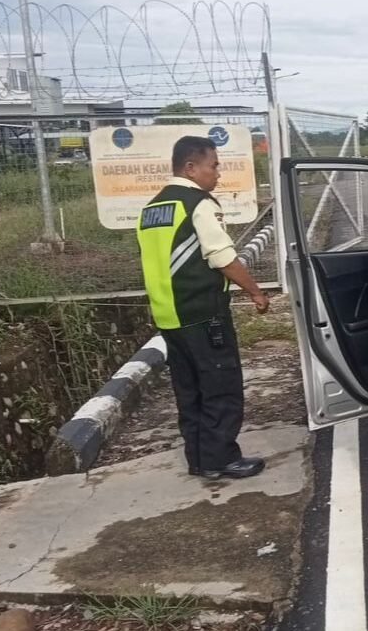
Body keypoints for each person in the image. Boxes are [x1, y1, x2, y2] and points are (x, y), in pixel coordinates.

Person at [136, 136, 271, 480]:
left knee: (189, 390)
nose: (218, 174)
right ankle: (220, 458)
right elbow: (222, 257)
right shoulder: (197, 203)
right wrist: (255, 291)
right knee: (221, 385)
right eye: (214, 166)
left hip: (169, 316)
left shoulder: (153, 208)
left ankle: (198, 459)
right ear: (191, 168)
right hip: (202, 313)